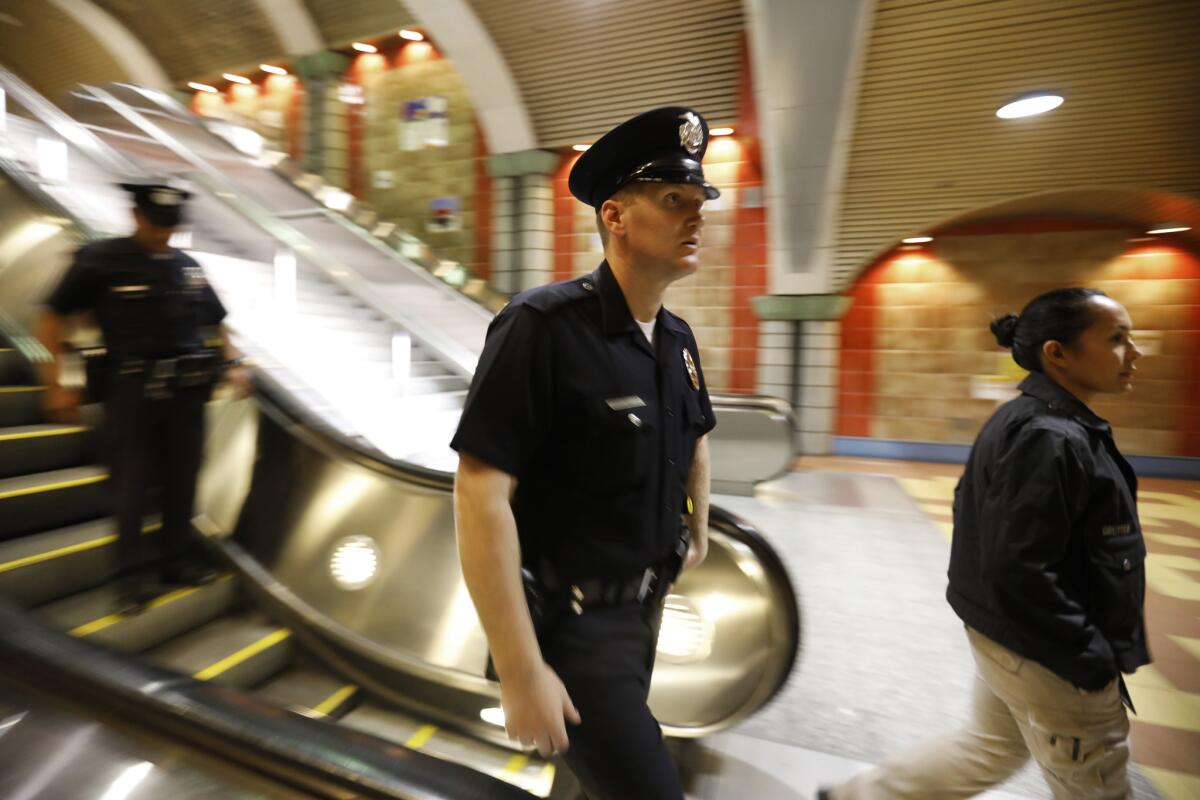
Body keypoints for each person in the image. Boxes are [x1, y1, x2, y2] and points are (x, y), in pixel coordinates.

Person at [451, 106, 719, 799]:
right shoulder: (541, 328)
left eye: (699, 202)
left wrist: (697, 527)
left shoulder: (677, 341)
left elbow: (695, 439)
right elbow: (478, 496)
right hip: (572, 629)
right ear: (616, 217)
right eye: (673, 201)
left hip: (643, 612)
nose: (696, 217)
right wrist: (519, 670)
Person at [822, 288, 1149, 800]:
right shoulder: (1050, 436)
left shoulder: (1035, 420)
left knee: (989, 749)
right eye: (1116, 339)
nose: (1135, 353)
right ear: (1057, 354)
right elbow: (1017, 566)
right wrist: (1087, 656)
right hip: (1046, 650)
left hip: (1012, 636)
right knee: (1096, 784)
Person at [35, 181, 250, 616]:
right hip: (130, 390)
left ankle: (177, 562)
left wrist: (235, 362)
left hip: (186, 392)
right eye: (155, 223)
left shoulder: (186, 267)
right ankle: (129, 580)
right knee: (131, 484)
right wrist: (55, 382)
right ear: (136, 216)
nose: (163, 233)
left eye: (170, 226)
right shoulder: (101, 259)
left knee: (183, 477)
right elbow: (52, 318)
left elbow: (217, 323)